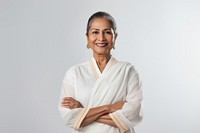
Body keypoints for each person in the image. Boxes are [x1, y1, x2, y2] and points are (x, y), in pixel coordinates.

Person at [58, 11, 143, 133]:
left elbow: (135, 114)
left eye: (107, 32)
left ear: (115, 37)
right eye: (95, 32)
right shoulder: (74, 73)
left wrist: (83, 110)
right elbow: (68, 118)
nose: (101, 38)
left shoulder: (128, 71)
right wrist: (109, 108)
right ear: (87, 37)